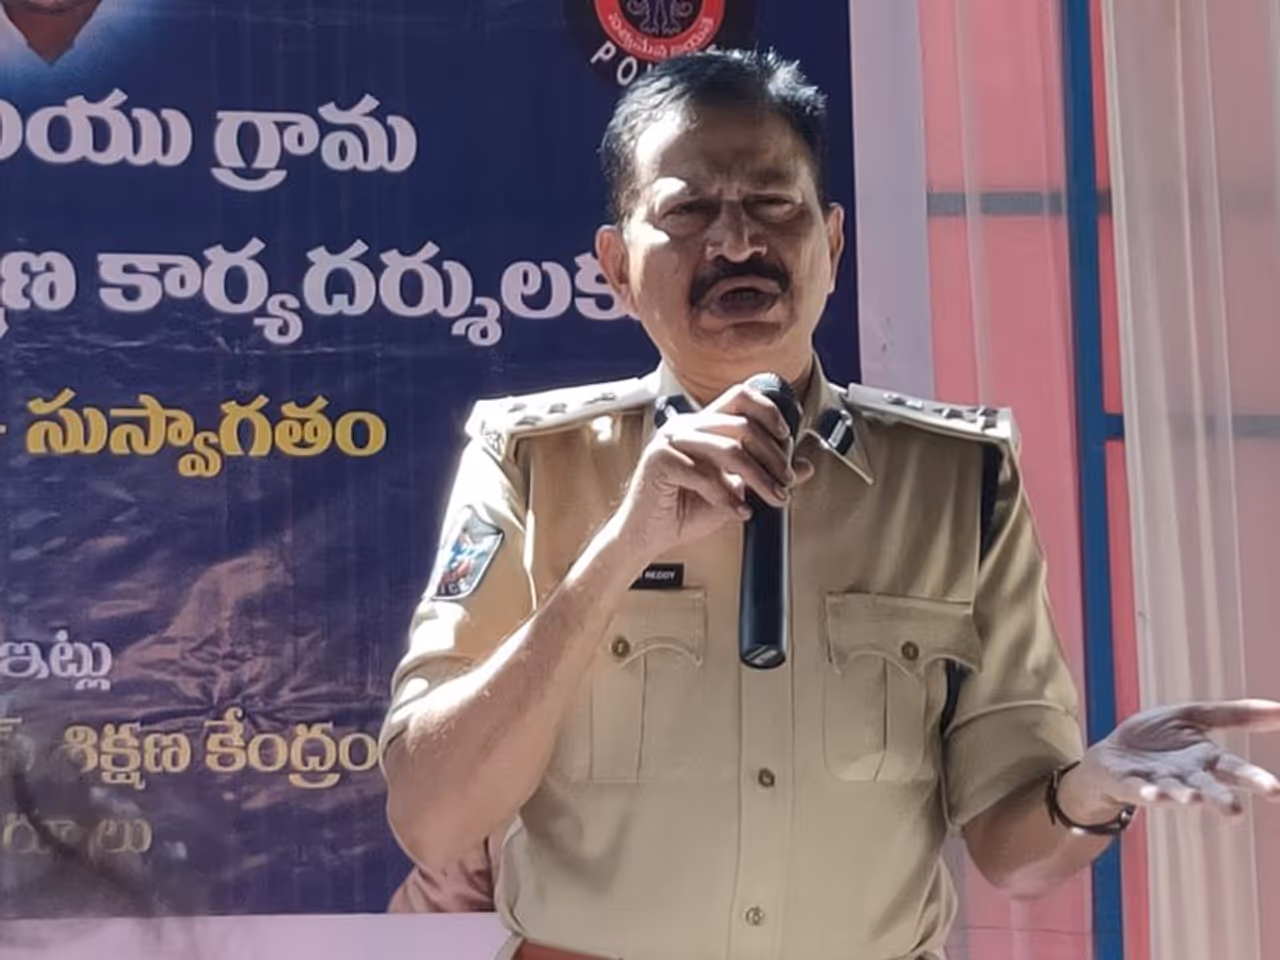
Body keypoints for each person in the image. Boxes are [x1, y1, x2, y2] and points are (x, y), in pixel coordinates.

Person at [378, 48, 1280, 960]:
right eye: (689, 211)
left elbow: (1014, 851)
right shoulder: (533, 464)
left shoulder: (956, 481)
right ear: (616, 265)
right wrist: (620, 546)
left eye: (774, 203)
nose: (738, 243)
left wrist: (1093, 789)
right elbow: (431, 817)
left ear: (833, 243)